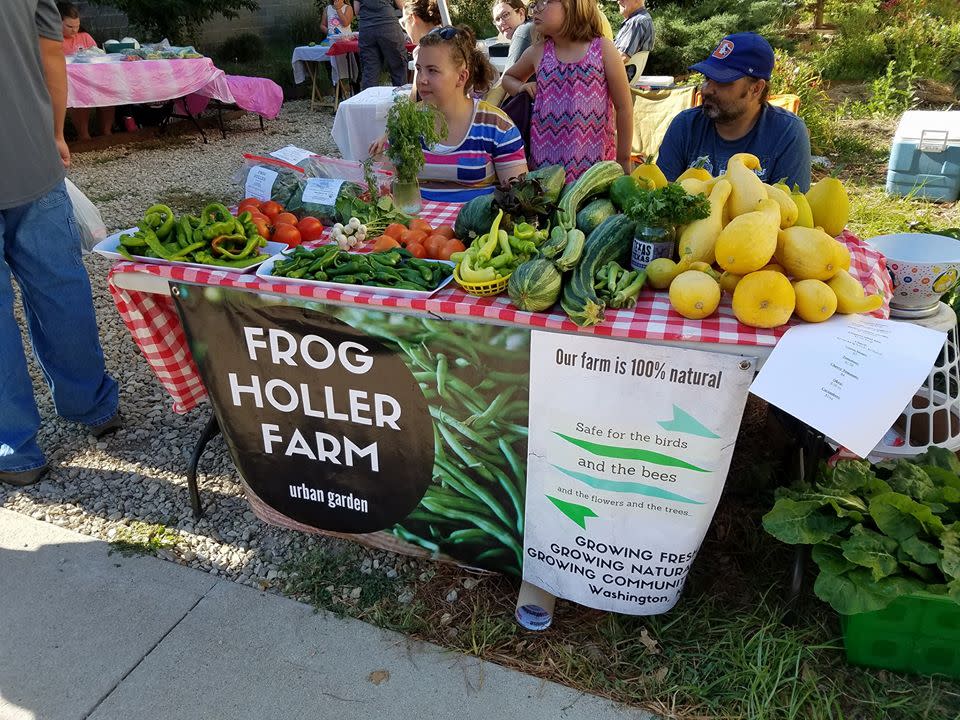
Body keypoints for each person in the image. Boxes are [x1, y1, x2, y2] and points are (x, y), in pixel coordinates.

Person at [0, 0, 120, 487]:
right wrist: (53, 133)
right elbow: (53, 57)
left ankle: (13, 448)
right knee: (60, 287)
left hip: (33, 158)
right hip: (31, 154)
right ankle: (91, 405)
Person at [370, 26, 528, 203]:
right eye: (419, 69)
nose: (421, 79)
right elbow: (388, 186)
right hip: (415, 228)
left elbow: (518, 198)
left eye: (432, 70)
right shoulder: (407, 122)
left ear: (461, 77)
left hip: (475, 228)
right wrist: (382, 158)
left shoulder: (497, 126)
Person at [657, 32, 812, 191]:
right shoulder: (685, 126)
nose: (707, 89)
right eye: (707, 79)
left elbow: (791, 211)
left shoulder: (787, 133)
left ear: (756, 89)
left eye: (723, 81)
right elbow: (659, 197)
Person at [501, 0, 633, 182]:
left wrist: (624, 159)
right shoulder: (538, 52)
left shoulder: (602, 49)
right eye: (535, 3)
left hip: (595, 174)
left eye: (544, 2)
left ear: (573, 5)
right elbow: (508, 78)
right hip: (545, 175)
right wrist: (521, 87)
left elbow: (624, 107)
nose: (534, 9)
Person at [58, 2, 115, 141]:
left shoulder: (85, 37)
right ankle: (84, 136)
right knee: (80, 96)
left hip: (92, 79)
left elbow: (98, 56)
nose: (74, 30)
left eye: (77, 26)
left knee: (108, 94)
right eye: (70, 26)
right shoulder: (53, 40)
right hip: (68, 82)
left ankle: (106, 133)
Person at [353, 0, 409, 89]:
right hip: (388, 26)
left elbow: (356, 10)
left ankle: (369, 100)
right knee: (398, 67)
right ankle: (401, 99)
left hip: (367, 28)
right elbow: (403, 6)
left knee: (370, 70)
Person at [613, 0, 653, 64]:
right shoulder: (637, 20)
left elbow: (623, 57)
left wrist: (598, 67)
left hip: (618, 73)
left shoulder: (637, 22)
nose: (619, 2)